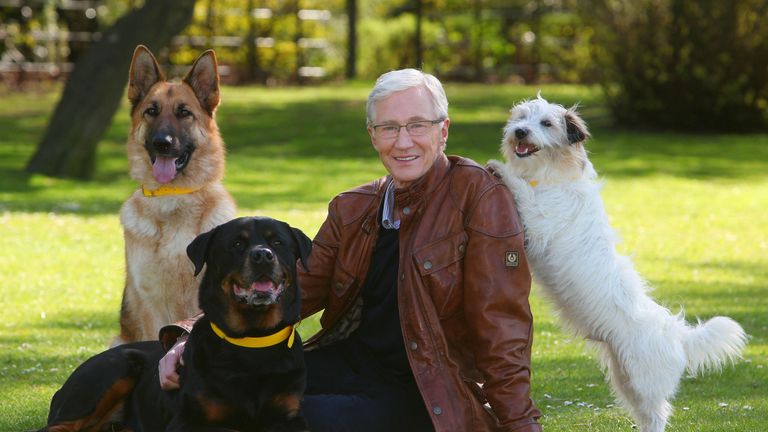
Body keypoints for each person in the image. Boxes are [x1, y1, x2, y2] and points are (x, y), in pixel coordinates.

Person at [158, 68, 542, 432]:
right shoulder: (354, 207)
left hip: (427, 389)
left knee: (280, 419)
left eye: (417, 126)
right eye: (389, 127)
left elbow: (502, 328)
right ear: (373, 136)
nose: (403, 140)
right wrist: (190, 336)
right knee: (206, 388)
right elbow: (296, 285)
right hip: (348, 362)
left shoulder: (478, 196)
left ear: (443, 131)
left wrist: (519, 423)